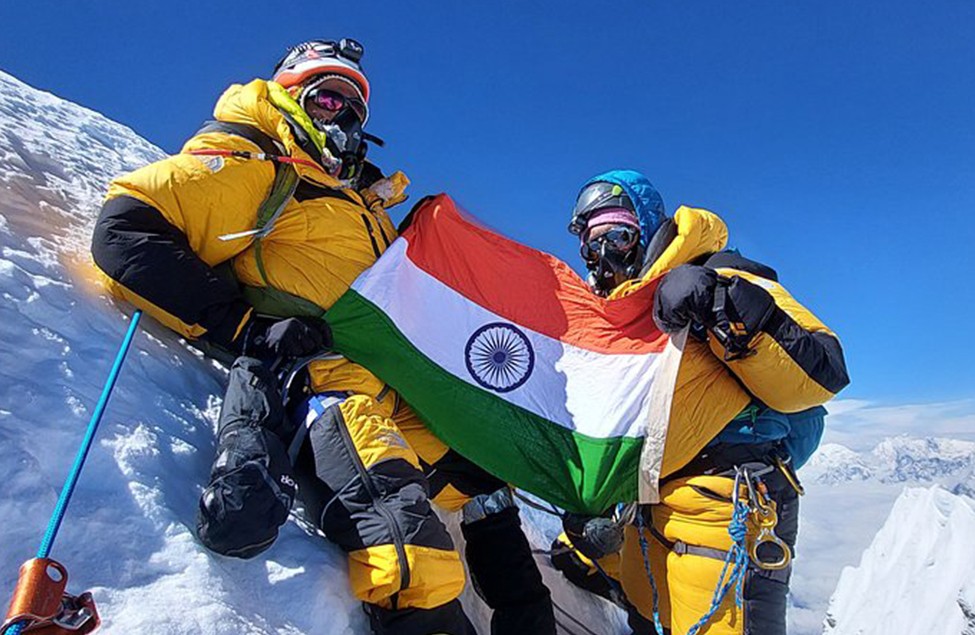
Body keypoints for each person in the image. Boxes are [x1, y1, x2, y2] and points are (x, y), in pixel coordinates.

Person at [91, 38, 555, 635]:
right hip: (334, 388)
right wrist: (242, 327)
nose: (343, 115)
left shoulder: (357, 201)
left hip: (403, 389)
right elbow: (127, 230)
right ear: (290, 98)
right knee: (406, 539)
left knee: (486, 475)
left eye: (354, 108)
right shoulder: (260, 166)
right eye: (328, 97)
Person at [550, 169, 849, 635]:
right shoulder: (614, 321)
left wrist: (720, 304)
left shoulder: (720, 274)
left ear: (648, 230)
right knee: (643, 618)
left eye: (620, 235)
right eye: (593, 242)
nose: (606, 254)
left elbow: (822, 373)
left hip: (727, 509)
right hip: (643, 514)